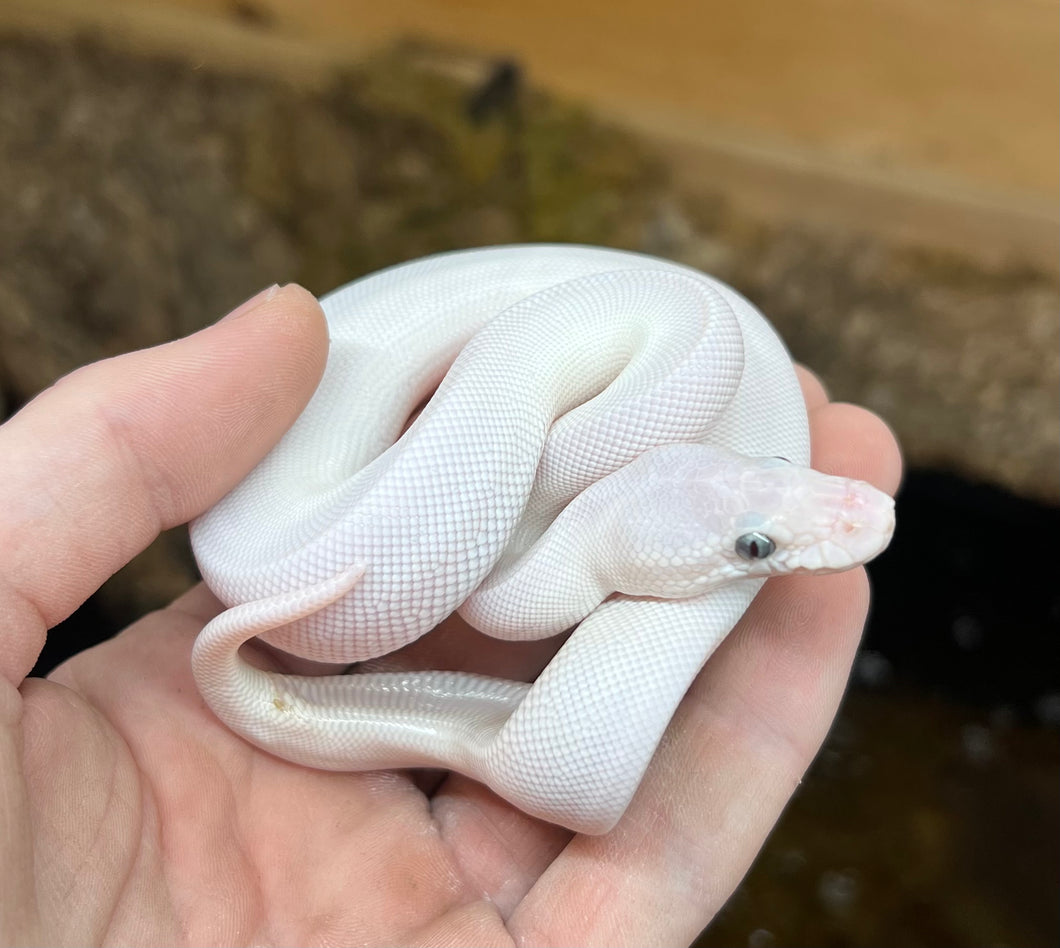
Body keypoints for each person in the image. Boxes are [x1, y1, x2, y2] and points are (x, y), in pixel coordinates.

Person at [0, 284, 901, 946]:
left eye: (760, 534)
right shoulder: (516, 548)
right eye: (758, 548)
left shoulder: (653, 378)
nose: (791, 549)